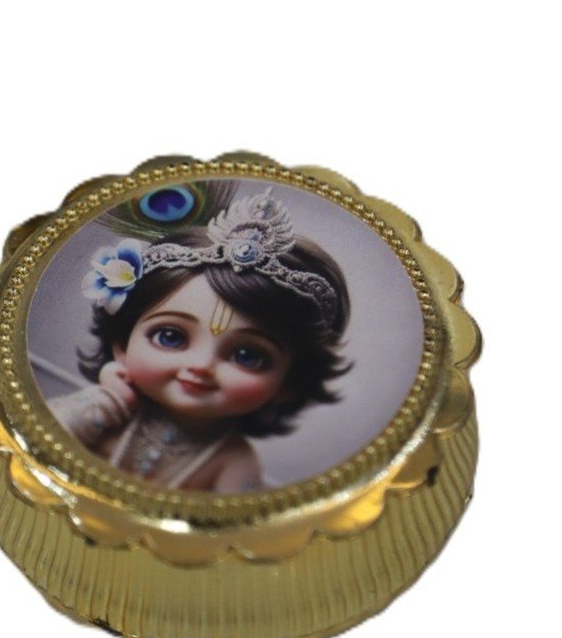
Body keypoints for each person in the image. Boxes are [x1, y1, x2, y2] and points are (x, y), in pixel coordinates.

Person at [48, 186, 351, 492]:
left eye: (247, 356)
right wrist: (109, 401)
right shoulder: (111, 409)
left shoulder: (234, 461)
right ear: (122, 344)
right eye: (170, 337)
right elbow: (42, 442)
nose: (202, 365)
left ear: (288, 384)